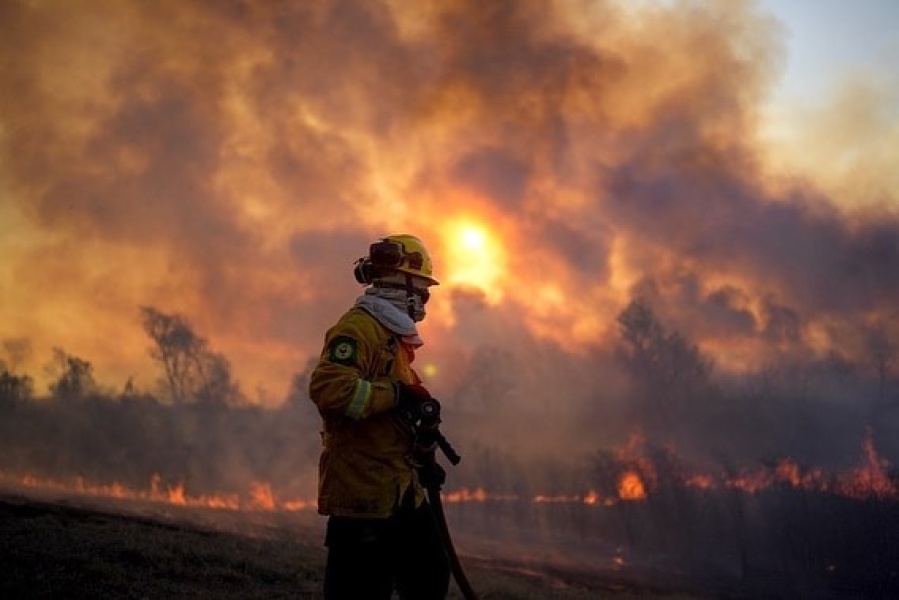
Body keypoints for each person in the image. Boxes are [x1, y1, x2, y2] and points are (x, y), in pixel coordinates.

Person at [308, 234, 450, 599]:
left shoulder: (393, 337)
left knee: (430, 576)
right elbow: (331, 390)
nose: (425, 301)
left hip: (401, 493)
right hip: (363, 499)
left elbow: (391, 418)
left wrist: (422, 453)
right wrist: (397, 394)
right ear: (400, 284)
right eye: (422, 290)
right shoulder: (358, 329)